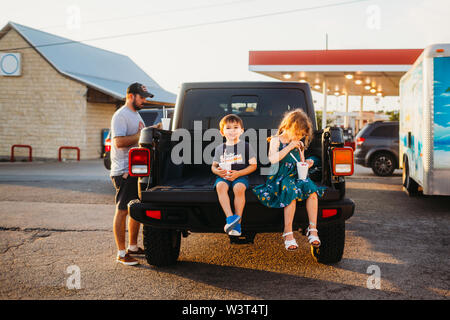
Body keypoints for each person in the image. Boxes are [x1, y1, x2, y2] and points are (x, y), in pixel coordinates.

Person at [252, 109, 326, 250]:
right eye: (297, 133)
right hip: (279, 176)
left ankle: (313, 228)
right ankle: (288, 232)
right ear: (288, 126)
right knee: (290, 192)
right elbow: (272, 159)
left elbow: (301, 160)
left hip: (297, 174)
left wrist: (307, 162)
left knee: (312, 191)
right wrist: (290, 146)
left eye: (301, 135)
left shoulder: (299, 142)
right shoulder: (276, 140)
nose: (299, 137)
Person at [110, 82, 154, 266]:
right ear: (131, 96)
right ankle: (121, 253)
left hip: (135, 169)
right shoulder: (121, 115)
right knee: (122, 211)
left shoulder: (135, 114)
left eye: (145, 97)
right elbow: (119, 142)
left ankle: (133, 247)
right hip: (124, 171)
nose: (144, 100)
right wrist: (143, 134)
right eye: (141, 97)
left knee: (134, 208)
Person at [211, 114, 257, 236]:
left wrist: (238, 174)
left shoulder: (246, 146)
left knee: (239, 188)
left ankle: (237, 223)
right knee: (220, 186)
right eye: (228, 128)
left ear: (241, 131)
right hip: (224, 176)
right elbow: (213, 166)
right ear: (222, 132)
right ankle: (230, 218)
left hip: (240, 175)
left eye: (236, 127)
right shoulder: (220, 148)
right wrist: (217, 171)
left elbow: (253, 165)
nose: (232, 131)